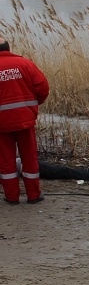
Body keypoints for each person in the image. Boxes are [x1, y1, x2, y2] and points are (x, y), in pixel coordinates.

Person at [0, 36, 50, 205]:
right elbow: (42, 87)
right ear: (8, 48)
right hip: (25, 120)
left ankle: (12, 197)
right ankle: (33, 195)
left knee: (6, 161)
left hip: (2, 124)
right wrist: (34, 105)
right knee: (29, 158)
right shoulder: (25, 64)